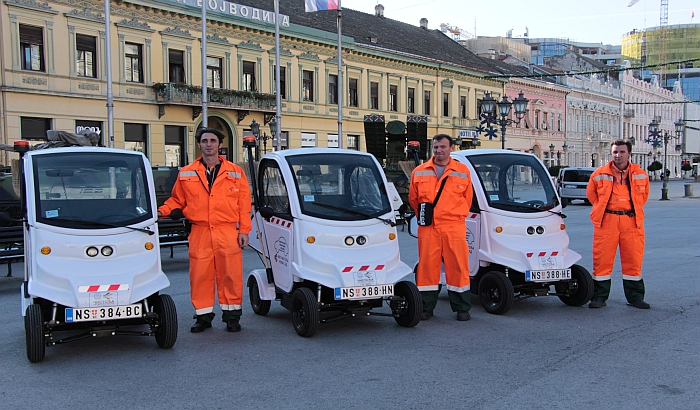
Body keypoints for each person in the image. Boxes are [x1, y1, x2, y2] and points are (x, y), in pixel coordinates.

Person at [158, 128, 252, 332]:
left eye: (213, 140)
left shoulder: (236, 172)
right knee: (200, 275)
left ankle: (232, 317)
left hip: (227, 231)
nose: (209, 144)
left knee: (231, 275)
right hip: (200, 231)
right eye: (204, 141)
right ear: (199, 145)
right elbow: (177, 200)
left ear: (220, 145)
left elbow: (244, 205)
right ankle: (203, 317)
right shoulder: (186, 173)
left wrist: (244, 231)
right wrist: (161, 212)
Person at [409, 134, 473, 321]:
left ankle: (462, 308)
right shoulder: (419, 171)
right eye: (436, 147)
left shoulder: (462, 171)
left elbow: (467, 200)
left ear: (451, 148)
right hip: (429, 228)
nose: (439, 150)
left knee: (458, 267)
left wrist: (454, 215)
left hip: (454, 226)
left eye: (443, 147)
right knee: (427, 268)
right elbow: (414, 200)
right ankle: (426, 307)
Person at [587, 140, 650, 309]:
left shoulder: (641, 174)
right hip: (607, 221)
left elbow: (643, 197)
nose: (618, 155)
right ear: (611, 154)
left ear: (629, 153)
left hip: (631, 220)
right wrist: (607, 210)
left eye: (622, 152)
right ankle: (598, 297)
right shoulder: (599, 173)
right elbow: (592, 195)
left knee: (633, 259)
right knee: (602, 260)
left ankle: (635, 298)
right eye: (615, 152)